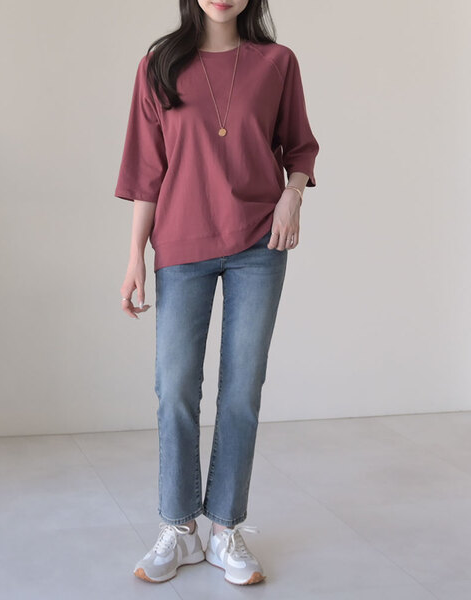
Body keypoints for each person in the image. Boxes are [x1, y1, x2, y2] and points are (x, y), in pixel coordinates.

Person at [114, 0, 319, 586]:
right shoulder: (159, 64)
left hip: (260, 244)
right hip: (182, 244)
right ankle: (180, 527)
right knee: (175, 386)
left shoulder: (277, 62)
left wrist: (292, 195)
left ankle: (226, 528)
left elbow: (299, 145)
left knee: (241, 390)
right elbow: (147, 169)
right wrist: (135, 256)